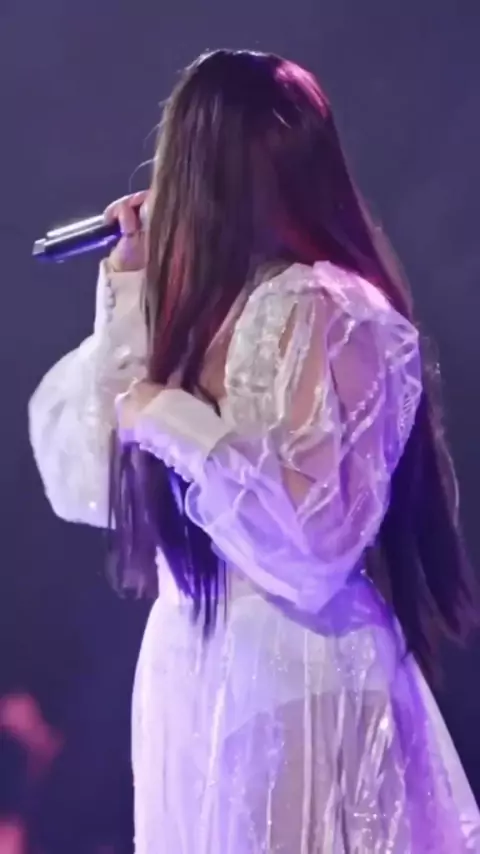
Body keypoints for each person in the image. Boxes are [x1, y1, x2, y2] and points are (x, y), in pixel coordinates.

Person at [28, 49, 480, 853]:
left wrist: (169, 414)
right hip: (191, 666)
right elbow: (89, 477)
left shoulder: (324, 306)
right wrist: (128, 291)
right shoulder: (192, 307)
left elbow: (311, 547)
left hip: (291, 664)